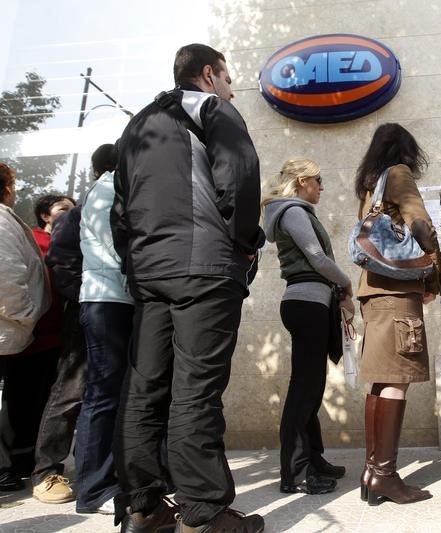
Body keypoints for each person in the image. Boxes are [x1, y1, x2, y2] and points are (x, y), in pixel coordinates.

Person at [111, 44, 266, 533]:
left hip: (150, 273)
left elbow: (121, 209)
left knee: (144, 389)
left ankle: (144, 508)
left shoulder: (135, 125)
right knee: (196, 391)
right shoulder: (211, 108)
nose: (230, 87)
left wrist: (136, 263)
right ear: (207, 74)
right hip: (204, 268)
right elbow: (239, 174)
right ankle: (204, 513)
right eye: (226, 77)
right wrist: (246, 242)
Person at [354, 123, 440, 506]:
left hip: (373, 292)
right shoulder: (400, 175)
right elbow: (420, 222)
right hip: (397, 293)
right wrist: (433, 270)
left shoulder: (371, 186)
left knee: (379, 380)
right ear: (406, 149)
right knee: (395, 380)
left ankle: (373, 472)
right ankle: (385, 476)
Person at [262, 158, 353, 494]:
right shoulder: (294, 212)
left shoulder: (291, 211)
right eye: (318, 180)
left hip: (310, 303)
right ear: (301, 181)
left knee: (311, 387)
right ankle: (295, 472)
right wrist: (346, 284)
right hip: (306, 304)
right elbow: (316, 257)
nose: (322, 187)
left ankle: (313, 459)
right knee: (304, 388)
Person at [71, 143, 132, 515]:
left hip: (114, 298)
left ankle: (108, 480)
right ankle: (94, 489)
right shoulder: (109, 188)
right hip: (107, 299)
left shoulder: (115, 187)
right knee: (103, 392)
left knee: (112, 390)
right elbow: (120, 245)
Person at [1, 193, 74, 482]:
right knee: (16, 401)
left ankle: (26, 463)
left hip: (55, 337)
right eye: (62, 208)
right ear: (45, 215)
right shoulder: (32, 241)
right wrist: (26, 315)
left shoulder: (70, 242)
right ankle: (6, 468)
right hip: (27, 333)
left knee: (40, 402)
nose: (70, 212)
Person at [30, 194, 86, 505]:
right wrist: (86, 296)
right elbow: (62, 265)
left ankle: (92, 469)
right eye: (63, 208)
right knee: (70, 391)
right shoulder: (74, 222)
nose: (70, 210)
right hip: (81, 314)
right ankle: (46, 472)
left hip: (113, 314)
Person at [0, 163, 50, 491]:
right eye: (13, 183)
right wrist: (26, 316)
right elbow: (5, 277)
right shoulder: (1, 221)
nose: (16, 189)